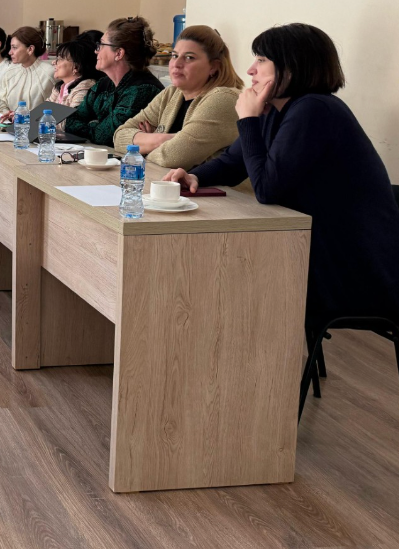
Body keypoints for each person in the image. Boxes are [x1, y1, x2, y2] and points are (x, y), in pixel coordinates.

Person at [163, 24, 399, 334]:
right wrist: (193, 175)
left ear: (291, 67)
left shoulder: (314, 109)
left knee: (228, 276)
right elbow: (234, 162)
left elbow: (267, 189)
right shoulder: (278, 110)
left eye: (261, 60)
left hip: (352, 266)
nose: (251, 70)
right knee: (222, 271)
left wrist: (248, 119)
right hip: (315, 249)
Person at [113, 25, 241, 169]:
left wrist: (142, 147)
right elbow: (119, 137)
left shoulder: (224, 99)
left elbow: (172, 157)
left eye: (189, 57)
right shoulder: (172, 93)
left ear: (214, 66)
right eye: (174, 56)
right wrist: (163, 138)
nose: (177, 64)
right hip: (161, 180)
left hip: (212, 185)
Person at [63, 16, 163, 146]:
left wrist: (92, 123)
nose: (96, 51)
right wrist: (96, 125)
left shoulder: (142, 90)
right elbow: (70, 121)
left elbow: (104, 137)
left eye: (101, 45)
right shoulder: (104, 84)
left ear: (119, 53)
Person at [0, 26, 56, 117]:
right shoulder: (10, 71)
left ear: (30, 49)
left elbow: (55, 109)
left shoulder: (50, 73)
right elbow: (3, 102)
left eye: (14, 47)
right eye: (11, 47)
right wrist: (7, 114)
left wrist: (24, 118)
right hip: (10, 124)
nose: (10, 52)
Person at [50, 37, 99, 110]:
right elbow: (42, 112)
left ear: (76, 67)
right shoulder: (59, 87)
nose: (53, 62)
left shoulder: (84, 88)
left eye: (60, 59)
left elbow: (72, 116)